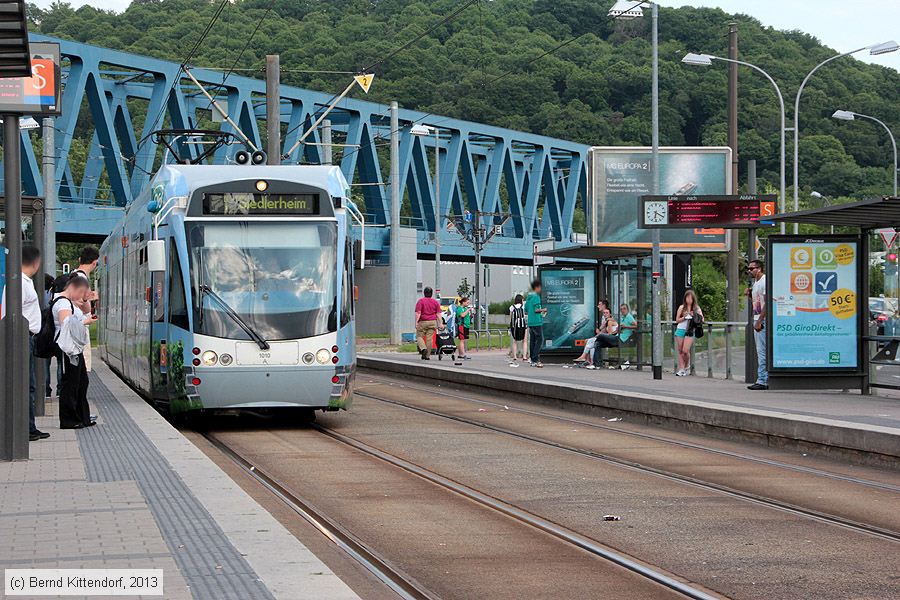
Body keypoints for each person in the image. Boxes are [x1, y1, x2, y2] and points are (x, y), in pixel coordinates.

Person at [3, 246, 50, 441]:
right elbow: (13, 312)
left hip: (27, 337)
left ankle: (29, 426)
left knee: (29, 384)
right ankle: (26, 428)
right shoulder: (19, 283)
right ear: (35, 262)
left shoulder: (23, 282)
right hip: (22, 337)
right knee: (26, 384)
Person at [54, 275, 98, 429]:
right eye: (79, 291)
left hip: (74, 349)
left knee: (80, 382)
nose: (81, 295)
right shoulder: (63, 304)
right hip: (69, 349)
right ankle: (69, 419)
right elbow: (67, 324)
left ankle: (81, 416)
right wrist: (86, 322)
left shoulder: (68, 302)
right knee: (71, 385)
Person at [747, 260, 768, 390]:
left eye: (751, 268)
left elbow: (767, 303)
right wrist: (750, 296)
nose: (749, 271)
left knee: (762, 350)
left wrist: (760, 320)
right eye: (748, 269)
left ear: (759, 269)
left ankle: (762, 380)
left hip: (761, 320)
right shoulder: (756, 283)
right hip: (758, 318)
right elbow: (758, 304)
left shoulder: (764, 281)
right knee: (761, 350)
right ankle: (762, 378)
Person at [674, 290, 703, 377]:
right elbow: (677, 320)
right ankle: (681, 369)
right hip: (680, 329)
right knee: (680, 350)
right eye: (687, 297)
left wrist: (694, 315)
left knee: (685, 350)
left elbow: (702, 319)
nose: (689, 299)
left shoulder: (697, 308)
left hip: (690, 330)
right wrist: (684, 317)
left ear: (693, 299)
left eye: (690, 298)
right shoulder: (681, 307)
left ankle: (686, 365)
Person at [524, 279, 547, 367]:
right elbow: (536, 310)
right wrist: (543, 310)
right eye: (540, 287)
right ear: (537, 287)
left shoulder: (528, 297)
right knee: (540, 339)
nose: (540, 289)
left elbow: (526, 310)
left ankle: (532, 359)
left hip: (530, 322)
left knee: (533, 340)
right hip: (537, 321)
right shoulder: (536, 297)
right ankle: (535, 358)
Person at [415, 286, 441, 360]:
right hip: (433, 322)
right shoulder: (435, 302)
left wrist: (416, 322)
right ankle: (427, 356)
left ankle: (423, 349)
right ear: (432, 294)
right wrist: (441, 323)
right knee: (429, 339)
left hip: (423, 322)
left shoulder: (421, 301)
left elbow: (418, 313)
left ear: (424, 293)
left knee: (419, 336)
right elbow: (438, 314)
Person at [508, 294, 527, 365]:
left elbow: (510, 317)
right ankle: (524, 356)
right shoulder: (523, 307)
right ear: (521, 300)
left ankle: (515, 356)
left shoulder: (512, 307)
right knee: (524, 341)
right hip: (523, 325)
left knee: (514, 341)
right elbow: (525, 315)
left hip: (514, 326)